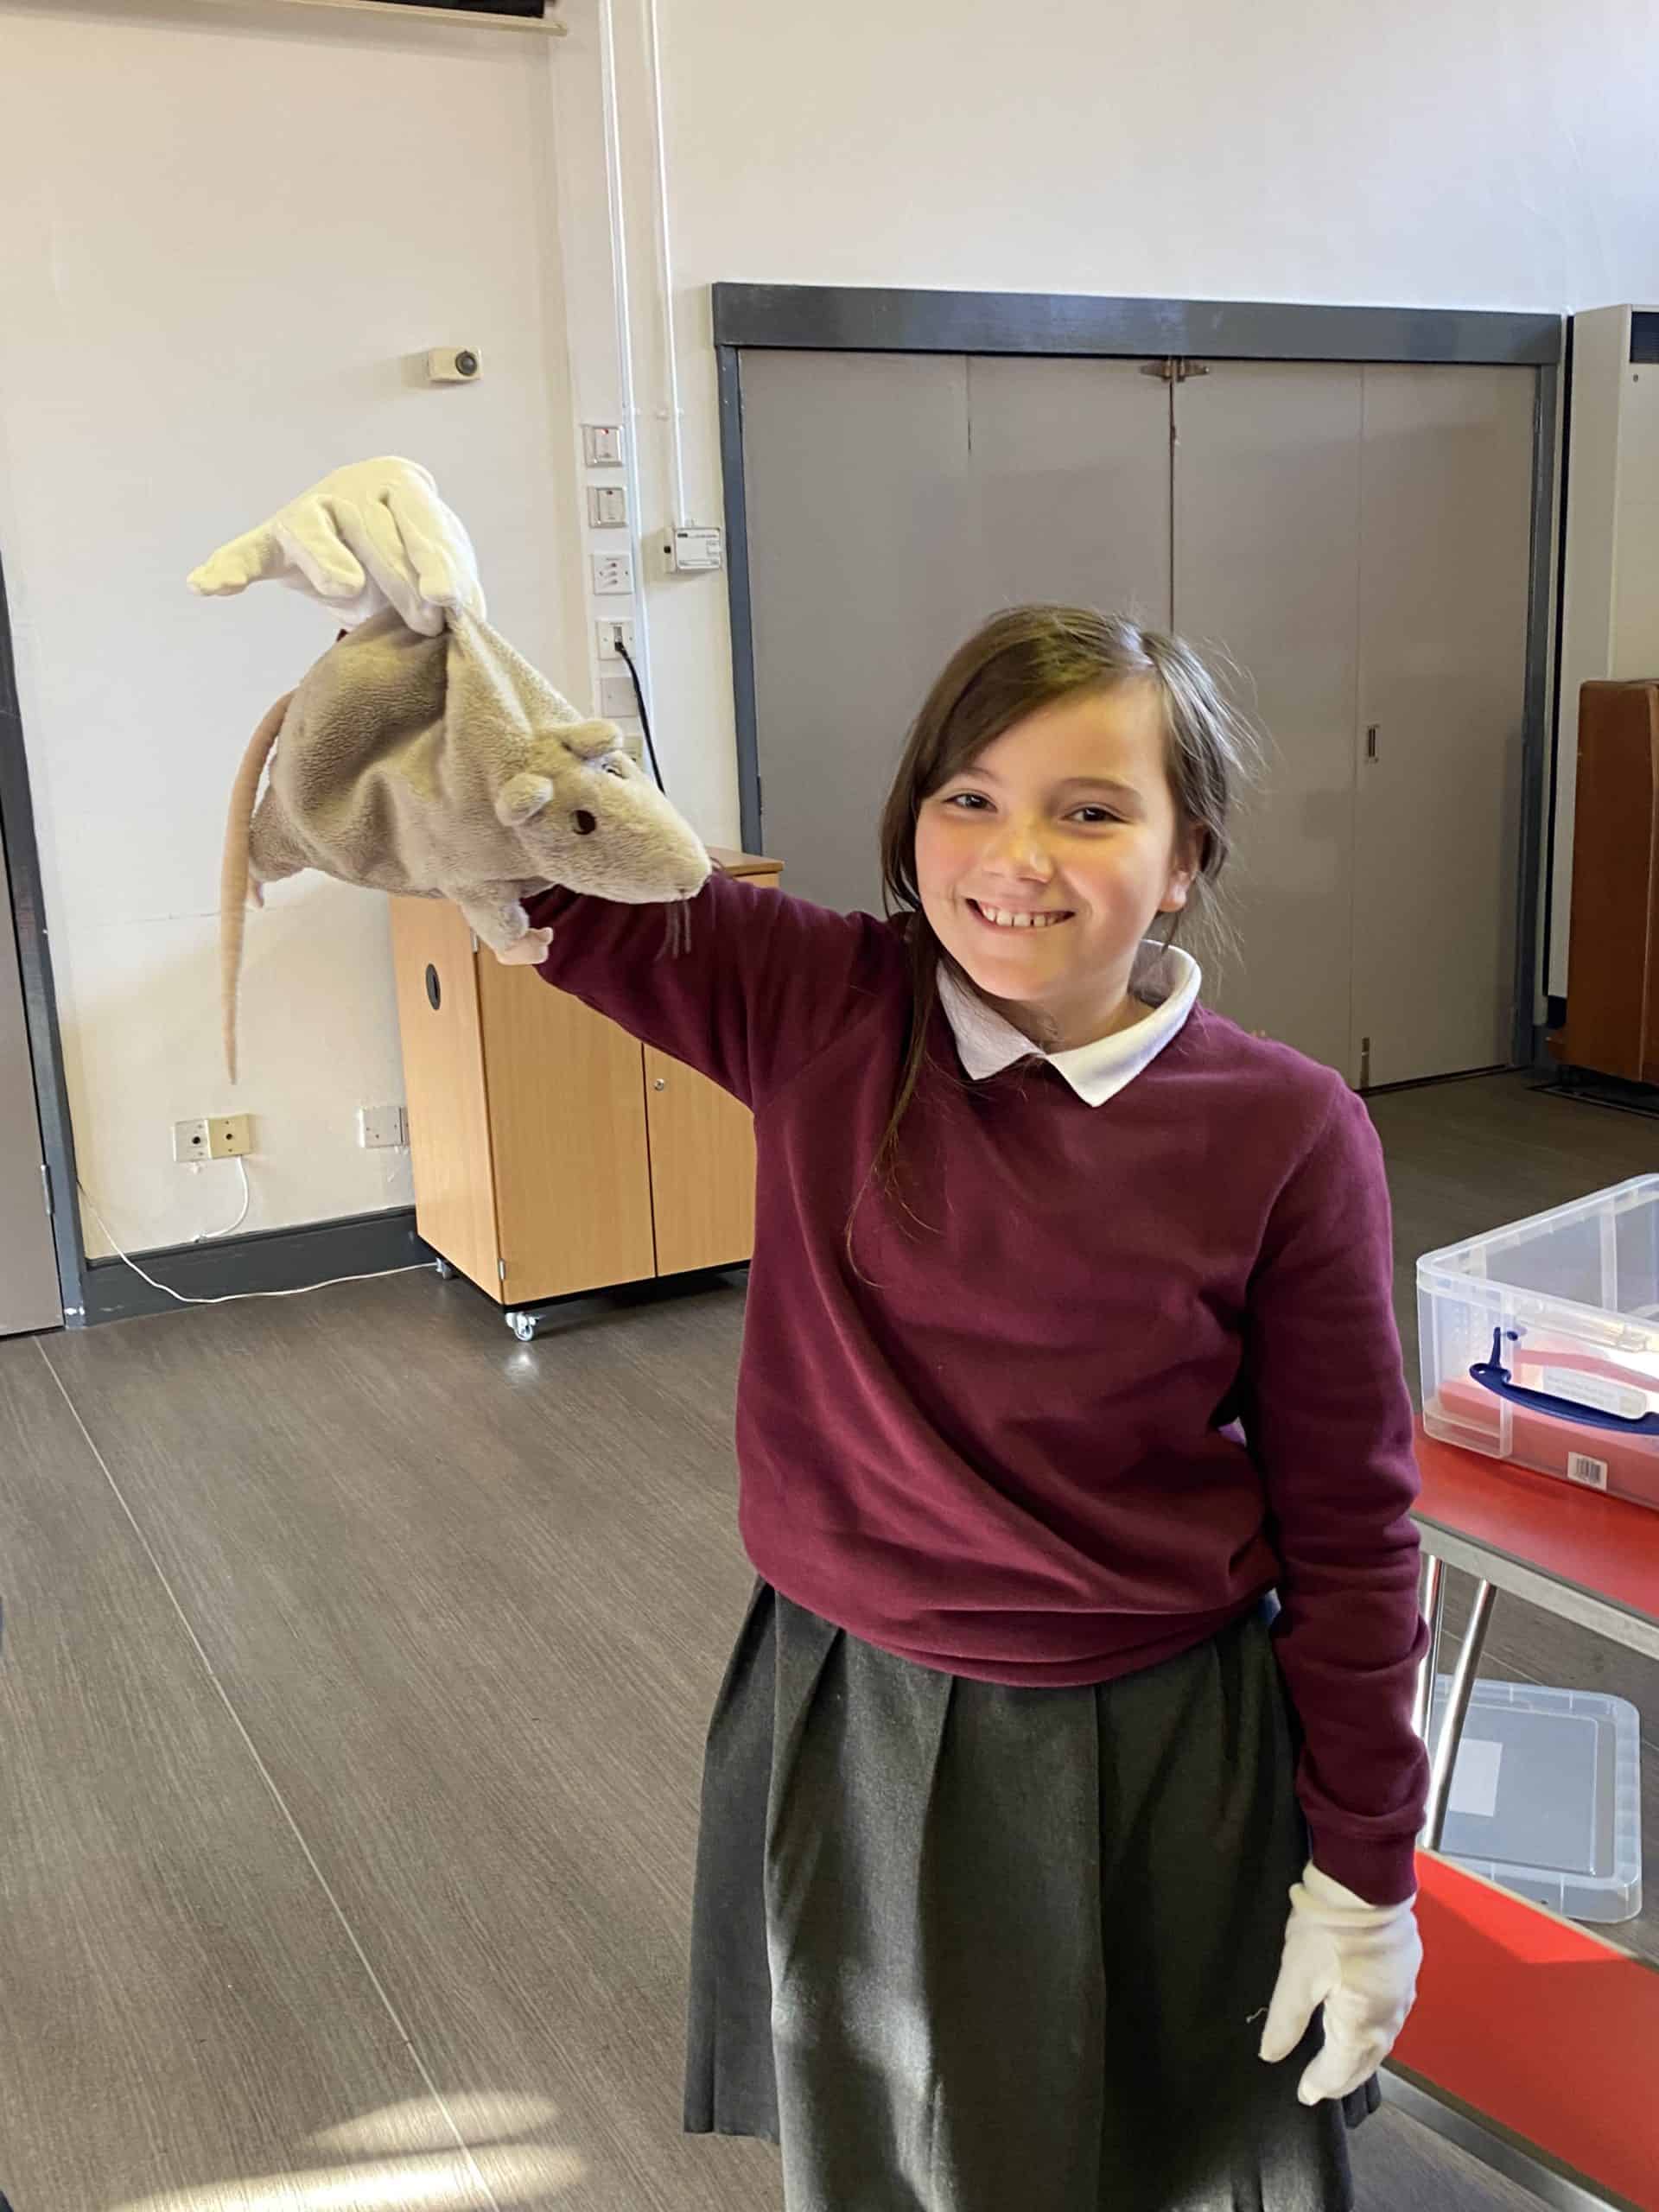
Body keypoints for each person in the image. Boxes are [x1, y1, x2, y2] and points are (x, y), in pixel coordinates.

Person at [196, 461, 1429, 2212]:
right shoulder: (820, 1002)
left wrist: (1367, 1867)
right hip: (858, 1705)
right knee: (897, 2146)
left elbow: (1355, 1524)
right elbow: (543, 849)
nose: (1014, 858)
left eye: (1090, 811)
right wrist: (414, 651)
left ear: (1185, 862)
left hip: (1172, 1736)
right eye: (968, 797)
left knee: (1172, 2153)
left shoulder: (1289, 1129)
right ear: (912, 821)